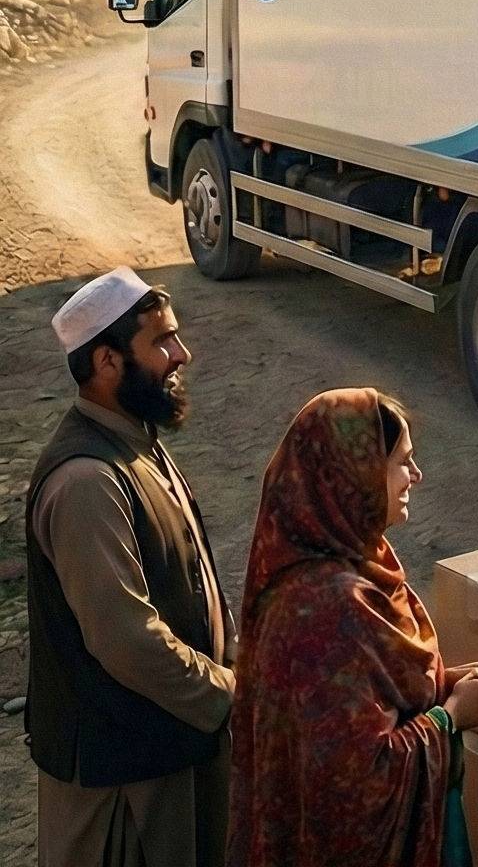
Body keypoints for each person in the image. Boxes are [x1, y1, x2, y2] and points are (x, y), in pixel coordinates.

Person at [228, 389, 478, 867]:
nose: (415, 477)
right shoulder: (329, 610)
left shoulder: (348, 568)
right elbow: (353, 789)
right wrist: (451, 718)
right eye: (402, 463)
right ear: (351, 479)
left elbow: (364, 701)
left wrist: (441, 685)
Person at [28, 269, 235, 867]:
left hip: (171, 756)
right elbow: (127, 640)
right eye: (162, 341)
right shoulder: (87, 481)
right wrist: (231, 695)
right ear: (107, 361)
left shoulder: (133, 441)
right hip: (123, 793)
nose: (182, 354)